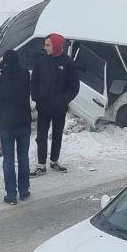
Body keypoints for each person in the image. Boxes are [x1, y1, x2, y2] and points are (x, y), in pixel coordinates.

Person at [0, 49, 32, 205]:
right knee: (23, 158)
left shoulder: (0, 81)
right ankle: (24, 191)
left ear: (4, 62)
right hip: (24, 123)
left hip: (7, 125)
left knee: (9, 160)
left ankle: (11, 195)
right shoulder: (25, 75)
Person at [30, 33, 80, 175]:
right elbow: (34, 82)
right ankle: (41, 165)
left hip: (59, 108)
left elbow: (74, 86)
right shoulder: (41, 62)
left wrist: (64, 100)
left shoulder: (68, 63)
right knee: (41, 136)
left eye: (47, 45)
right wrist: (36, 97)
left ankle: (54, 161)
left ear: (57, 45)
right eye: (45, 45)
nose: (44, 47)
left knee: (57, 135)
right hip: (43, 107)